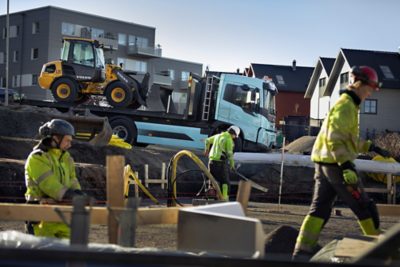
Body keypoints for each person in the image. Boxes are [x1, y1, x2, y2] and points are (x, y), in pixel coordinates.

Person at [292, 66, 390, 260]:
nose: (370, 93)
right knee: (363, 205)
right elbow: (335, 138)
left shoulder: (347, 105)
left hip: (324, 163)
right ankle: (378, 246)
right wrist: (345, 165)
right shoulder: (346, 106)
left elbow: (347, 140)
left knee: (320, 208)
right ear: (359, 84)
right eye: (369, 88)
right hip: (337, 165)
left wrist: (372, 147)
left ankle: (302, 249)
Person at [25, 119, 84, 238]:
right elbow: (49, 184)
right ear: (55, 138)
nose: (70, 144)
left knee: (67, 254)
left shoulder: (66, 158)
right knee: (44, 254)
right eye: (67, 140)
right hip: (41, 217)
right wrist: (70, 195)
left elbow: (73, 179)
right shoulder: (37, 158)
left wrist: (78, 192)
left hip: (63, 216)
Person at [204, 125, 240, 200]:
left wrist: (207, 150)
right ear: (233, 134)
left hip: (211, 162)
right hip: (220, 163)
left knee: (212, 180)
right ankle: (224, 200)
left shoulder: (218, 136)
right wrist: (232, 165)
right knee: (225, 182)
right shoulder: (228, 139)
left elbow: (207, 140)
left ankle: (211, 199)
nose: (234, 138)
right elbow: (230, 154)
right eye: (235, 136)